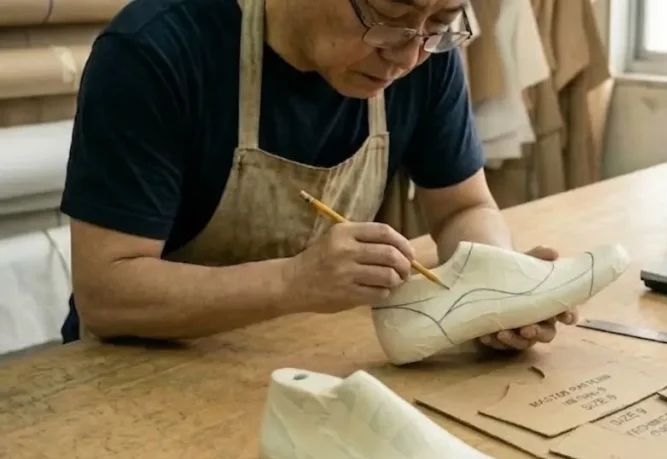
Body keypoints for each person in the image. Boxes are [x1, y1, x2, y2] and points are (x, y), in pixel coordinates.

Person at [59, 0, 577, 352]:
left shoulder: (424, 50)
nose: (409, 54)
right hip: (136, 374)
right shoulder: (155, 50)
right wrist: (292, 282)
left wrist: (490, 285)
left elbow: (464, 207)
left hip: (298, 356)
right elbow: (107, 293)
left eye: (440, 21)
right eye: (389, 17)